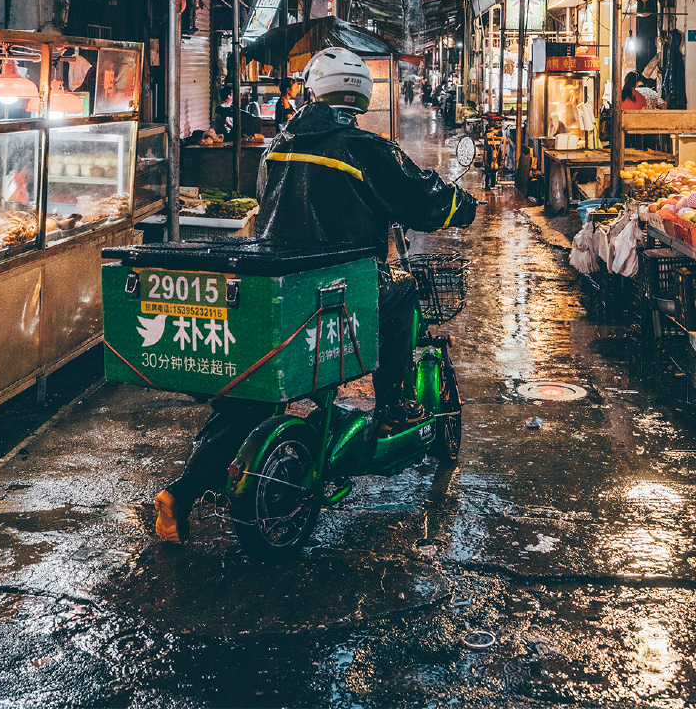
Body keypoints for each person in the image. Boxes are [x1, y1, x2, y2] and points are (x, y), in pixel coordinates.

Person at [154, 47, 477, 544]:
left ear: (313, 90)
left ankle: (182, 491)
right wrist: (460, 203)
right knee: (403, 289)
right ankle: (393, 405)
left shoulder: (278, 147)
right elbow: (422, 200)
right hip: (341, 285)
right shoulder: (367, 149)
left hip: (283, 284)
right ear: (362, 93)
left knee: (257, 391)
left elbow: (266, 201)